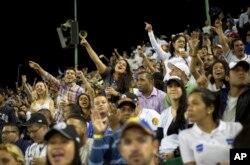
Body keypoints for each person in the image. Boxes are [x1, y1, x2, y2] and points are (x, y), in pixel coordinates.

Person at [179, 88, 242, 165]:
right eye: (188, 105)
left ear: (210, 108)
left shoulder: (235, 128)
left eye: (195, 103)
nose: (189, 109)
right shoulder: (185, 136)